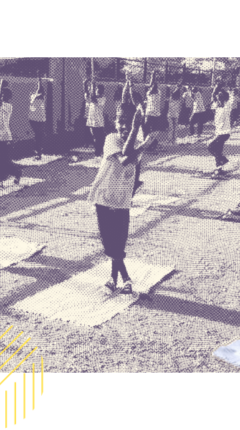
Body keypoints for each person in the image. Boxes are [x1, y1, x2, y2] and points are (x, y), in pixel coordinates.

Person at [88, 80, 156, 295]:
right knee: (111, 244)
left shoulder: (136, 144)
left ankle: (114, 279)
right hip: (104, 198)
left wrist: (132, 192)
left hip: (122, 202)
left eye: (127, 122)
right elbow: (126, 159)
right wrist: (139, 134)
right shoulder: (111, 139)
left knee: (119, 243)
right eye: (119, 121)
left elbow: (135, 171)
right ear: (114, 122)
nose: (123, 125)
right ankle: (122, 278)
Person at [0, 79, 22, 189]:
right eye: (1, 94)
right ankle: (17, 172)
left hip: (5, 137)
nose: (1, 96)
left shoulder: (8, 106)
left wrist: (0, 85)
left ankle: (1, 180)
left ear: (7, 97)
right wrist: (0, 87)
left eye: (3, 95)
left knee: (4, 160)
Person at [207, 81, 234, 178]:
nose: (217, 100)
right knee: (218, 150)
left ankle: (222, 160)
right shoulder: (217, 105)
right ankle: (219, 168)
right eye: (217, 98)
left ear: (223, 99)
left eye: (219, 98)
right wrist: (217, 86)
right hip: (219, 132)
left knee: (210, 146)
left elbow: (227, 97)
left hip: (224, 133)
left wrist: (223, 90)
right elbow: (213, 95)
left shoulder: (227, 106)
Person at [84, 76, 106, 158]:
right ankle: (98, 153)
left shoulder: (102, 98)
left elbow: (93, 98)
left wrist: (93, 84)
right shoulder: (92, 97)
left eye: (99, 90)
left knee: (99, 138)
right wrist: (85, 84)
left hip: (99, 122)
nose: (98, 91)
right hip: (92, 121)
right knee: (95, 137)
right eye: (97, 89)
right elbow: (87, 95)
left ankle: (99, 152)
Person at [144, 71, 165, 152]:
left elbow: (150, 84)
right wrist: (153, 75)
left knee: (147, 130)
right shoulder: (159, 93)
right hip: (156, 115)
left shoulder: (148, 93)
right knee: (154, 131)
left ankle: (149, 145)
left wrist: (153, 75)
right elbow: (152, 84)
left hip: (149, 114)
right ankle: (151, 145)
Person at [29, 78, 47, 161]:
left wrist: (39, 81)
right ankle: (37, 153)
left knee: (39, 137)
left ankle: (38, 153)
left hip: (40, 120)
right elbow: (39, 91)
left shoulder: (42, 96)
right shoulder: (33, 96)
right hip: (34, 120)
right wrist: (39, 81)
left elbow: (41, 91)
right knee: (38, 137)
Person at [167, 80, 183, 145]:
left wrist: (177, 87)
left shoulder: (171, 99)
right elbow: (177, 92)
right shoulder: (179, 99)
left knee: (171, 128)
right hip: (175, 115)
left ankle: (170, 140)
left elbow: (174, 92)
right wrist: (178, 87)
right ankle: (173, 140)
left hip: (170, 115)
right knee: (174, 128)